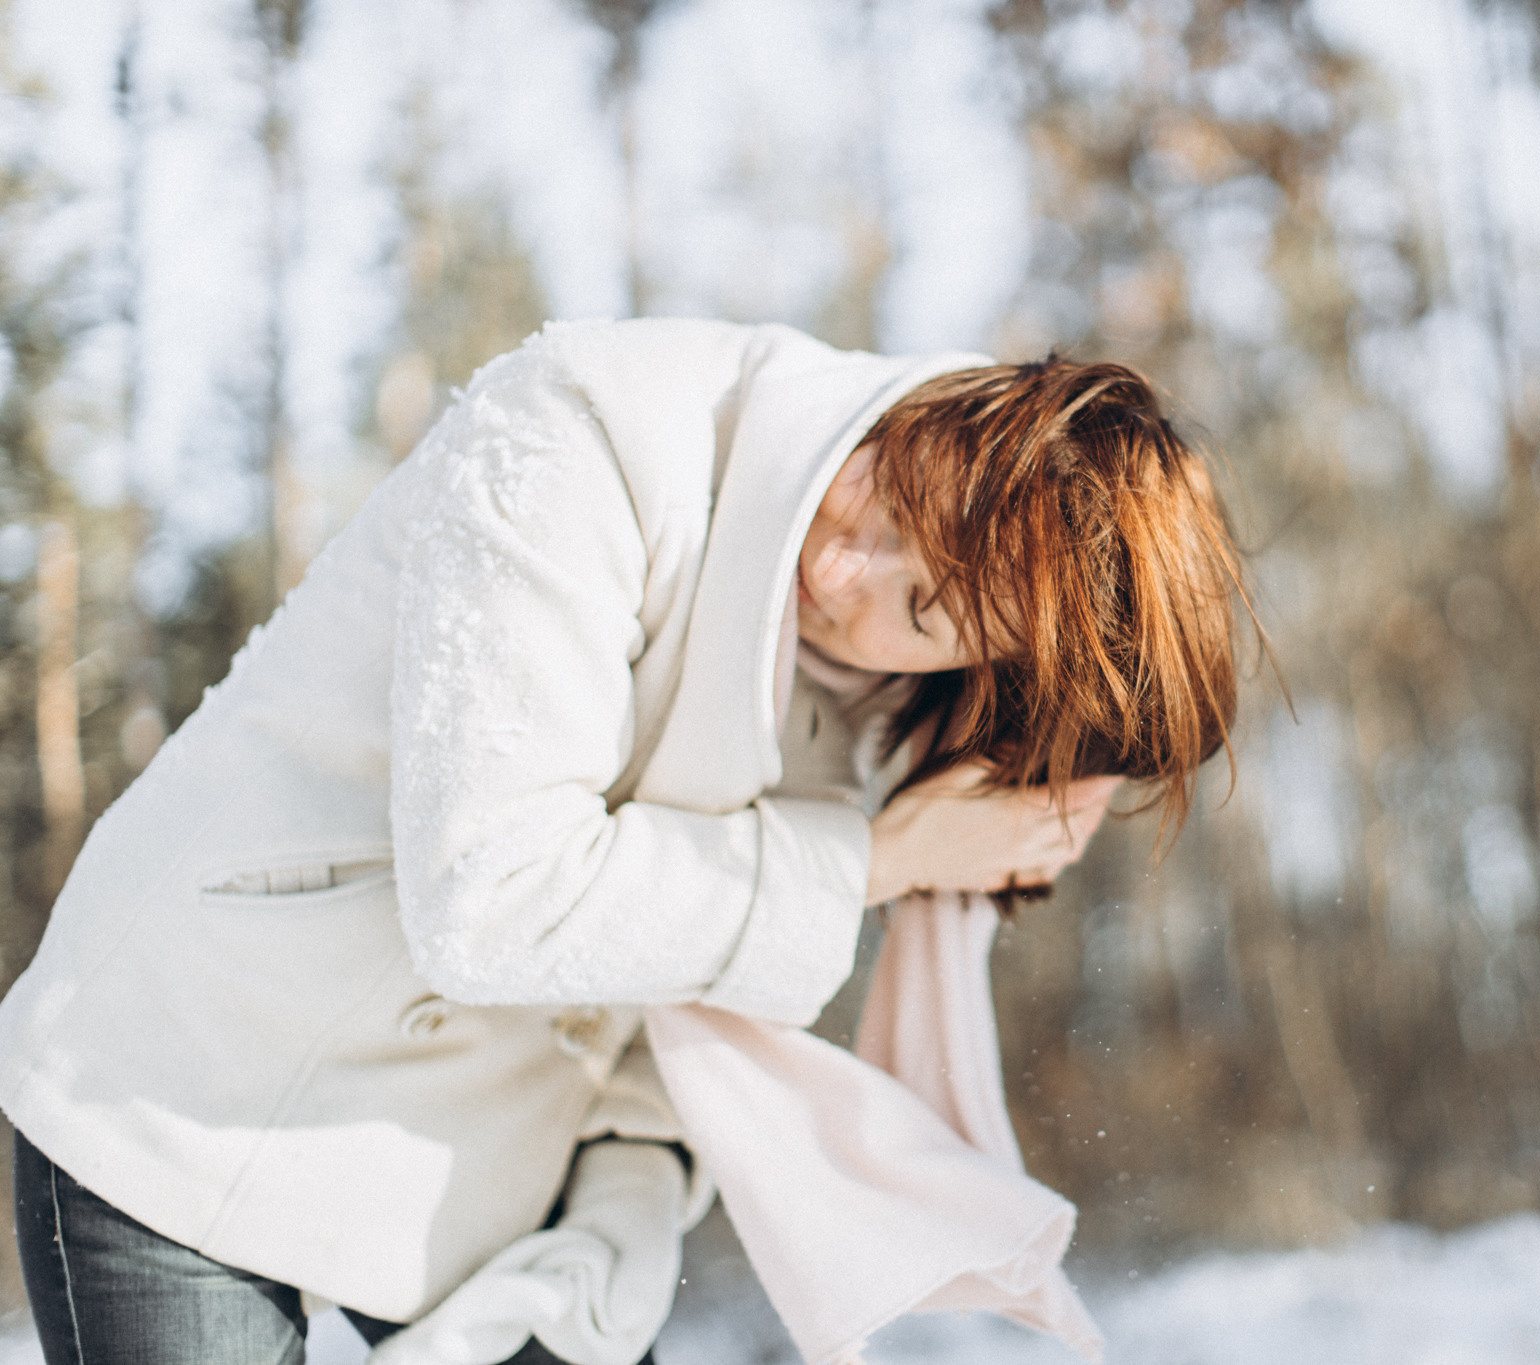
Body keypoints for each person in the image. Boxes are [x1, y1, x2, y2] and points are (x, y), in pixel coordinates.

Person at [1, 317, 1246, 1363]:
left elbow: (683, 990)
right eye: (890, 489)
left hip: (481, 1173)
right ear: (943, 414)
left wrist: (621, 1214)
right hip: (186, 1080)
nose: (841, 570)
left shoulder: (888, 718)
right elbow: (495, 898)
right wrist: (878, 863)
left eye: (919, 608)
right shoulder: (590, 427)